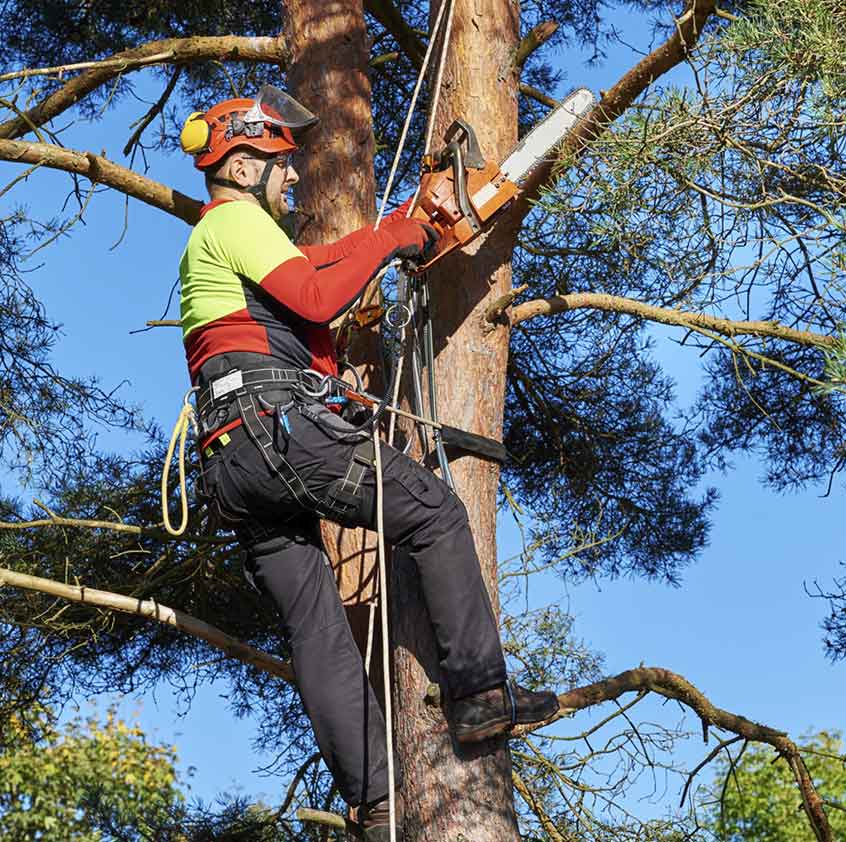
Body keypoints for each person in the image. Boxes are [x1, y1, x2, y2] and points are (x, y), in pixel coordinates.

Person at [177, 86, 559, 839]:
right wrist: (391, 237)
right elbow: (318, 296)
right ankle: (479, 695)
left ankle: (376, 803)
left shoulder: (229, 247)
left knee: (316, 626)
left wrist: (401, 230)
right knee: (434, 512)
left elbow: (316, 267)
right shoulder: (235, 222)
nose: (293, 178)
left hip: (234, 464)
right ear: (245, 163)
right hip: (275, 433)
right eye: (282, 164)